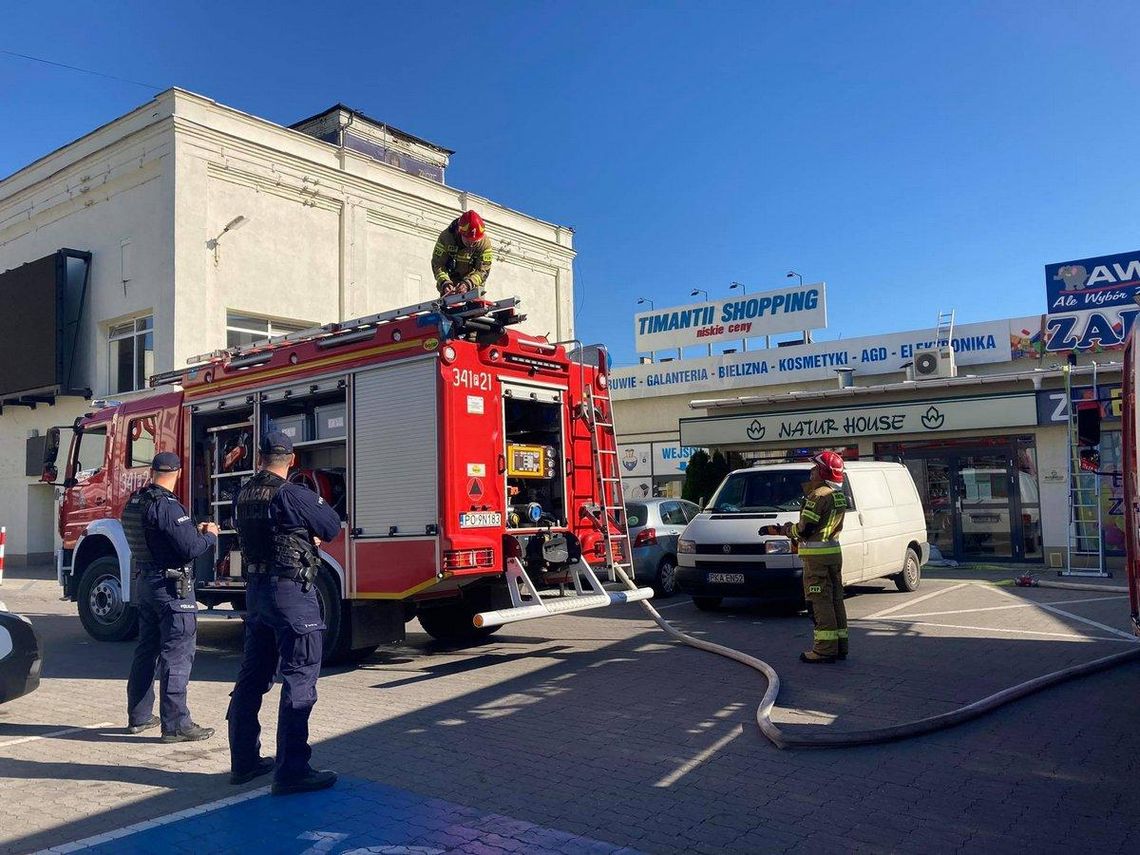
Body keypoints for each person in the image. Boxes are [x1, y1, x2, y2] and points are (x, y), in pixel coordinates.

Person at [228, 431, 342, 794]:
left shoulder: (242, 494)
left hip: (257, 594)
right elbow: (330, 527)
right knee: (300, 677)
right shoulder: (292, 493)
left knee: (253, 676)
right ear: (291, 460)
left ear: (259, 457)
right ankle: (292, 769)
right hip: (291, 594)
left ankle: (244, 762)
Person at [123, 451, 219, 741]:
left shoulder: (135, 502)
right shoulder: (168, 505)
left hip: (147, 585)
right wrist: (210, 535)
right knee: (177, 654)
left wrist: (190, 531)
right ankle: (176, 724)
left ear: (152, 471)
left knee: (146, 652)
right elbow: (189, 548)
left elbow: (159, 538)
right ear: (177, 473)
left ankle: (139, 717)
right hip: (172, 589)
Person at [784, 451, 849, 664]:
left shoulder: (818, 495)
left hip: (816, 559)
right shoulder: (837, 495)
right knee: (835, 600)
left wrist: (787, 531)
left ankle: (824, 649)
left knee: (819, 602)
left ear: (822, 472)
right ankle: (840, 645)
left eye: (814, 468)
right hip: (833, 555)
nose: (811, 472)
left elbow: (805, 529)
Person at [431, 209, 493, 297]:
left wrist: (469, 283)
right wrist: (445, 283)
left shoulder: (484, 243)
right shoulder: (446, 238)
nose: (471, 245)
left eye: (475, 242)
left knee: (477, 306)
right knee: (448, 303)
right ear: (459, 233)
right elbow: (438, 264)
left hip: (472, 283)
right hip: (451, 281)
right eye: (468, 241)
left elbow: (483, 270)